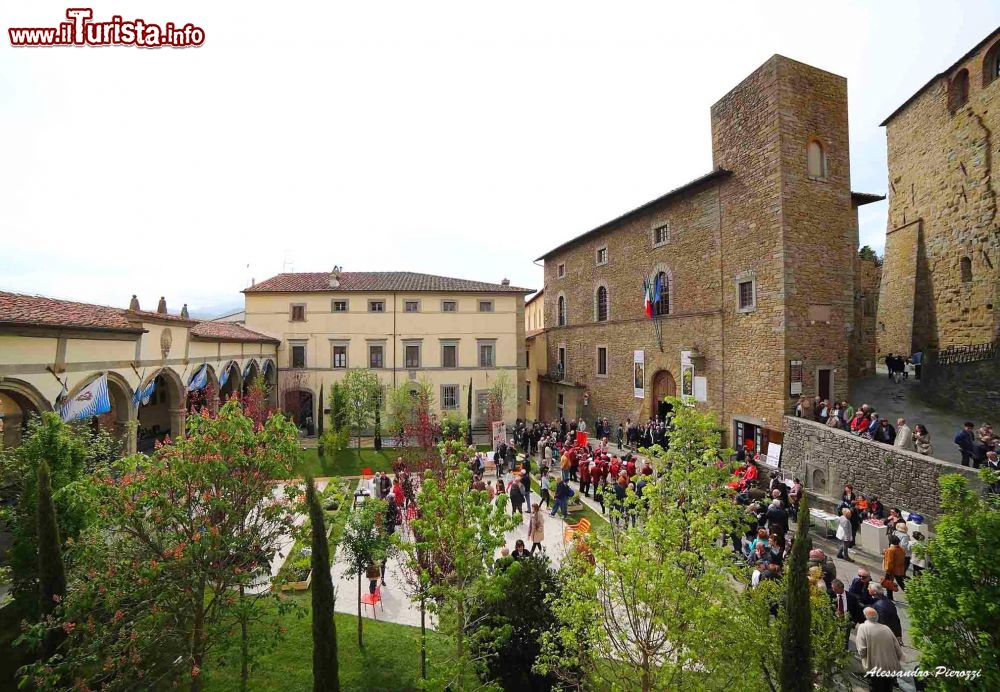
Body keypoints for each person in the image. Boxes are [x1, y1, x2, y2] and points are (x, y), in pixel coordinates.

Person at [855, 607, 902, 692]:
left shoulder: (863, 628)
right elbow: (897, 648)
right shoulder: (886, 628)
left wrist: (865, 660)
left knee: (876, 688)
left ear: (865, 617)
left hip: (875, 667)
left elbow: (862, 650)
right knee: (888, 689)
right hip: (889, 666)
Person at [829, 578, 864, 650]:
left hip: (846, 622)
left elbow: (857, 611)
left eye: (834, 588)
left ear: (840, 588)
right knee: (833, 638)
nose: (833, 590)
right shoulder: (831, 594)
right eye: (832, 588)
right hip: (834, 622)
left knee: (845, 640)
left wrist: (853, 622)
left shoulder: (852, 597)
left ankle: (844, 654)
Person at [882, 535, 906, 599]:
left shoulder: (890, 550)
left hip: (891, 570)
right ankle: (911, 595)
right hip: (899, 570)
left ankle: (889, 597)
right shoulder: (901, 549)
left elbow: (889, 562)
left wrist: (888, 570)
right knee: (902, 584)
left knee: (888, 583)